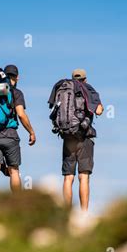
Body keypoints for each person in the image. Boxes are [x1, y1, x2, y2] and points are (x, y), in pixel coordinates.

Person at [48, 68, 103, 211]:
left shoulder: (62, 87)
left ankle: (66, 212)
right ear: (85, 79)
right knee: (83, 177)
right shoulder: (87, 88)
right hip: (84, 137)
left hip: (68, 137)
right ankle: (84, 212)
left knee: (68, 177)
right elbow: (98, 110)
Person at [0, 64, 36, 198]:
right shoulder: (16, 93)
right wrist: (31, 132)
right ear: (17, 77)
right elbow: (21, 114)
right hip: (10, 135)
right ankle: (17, 202)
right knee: (14, 171)